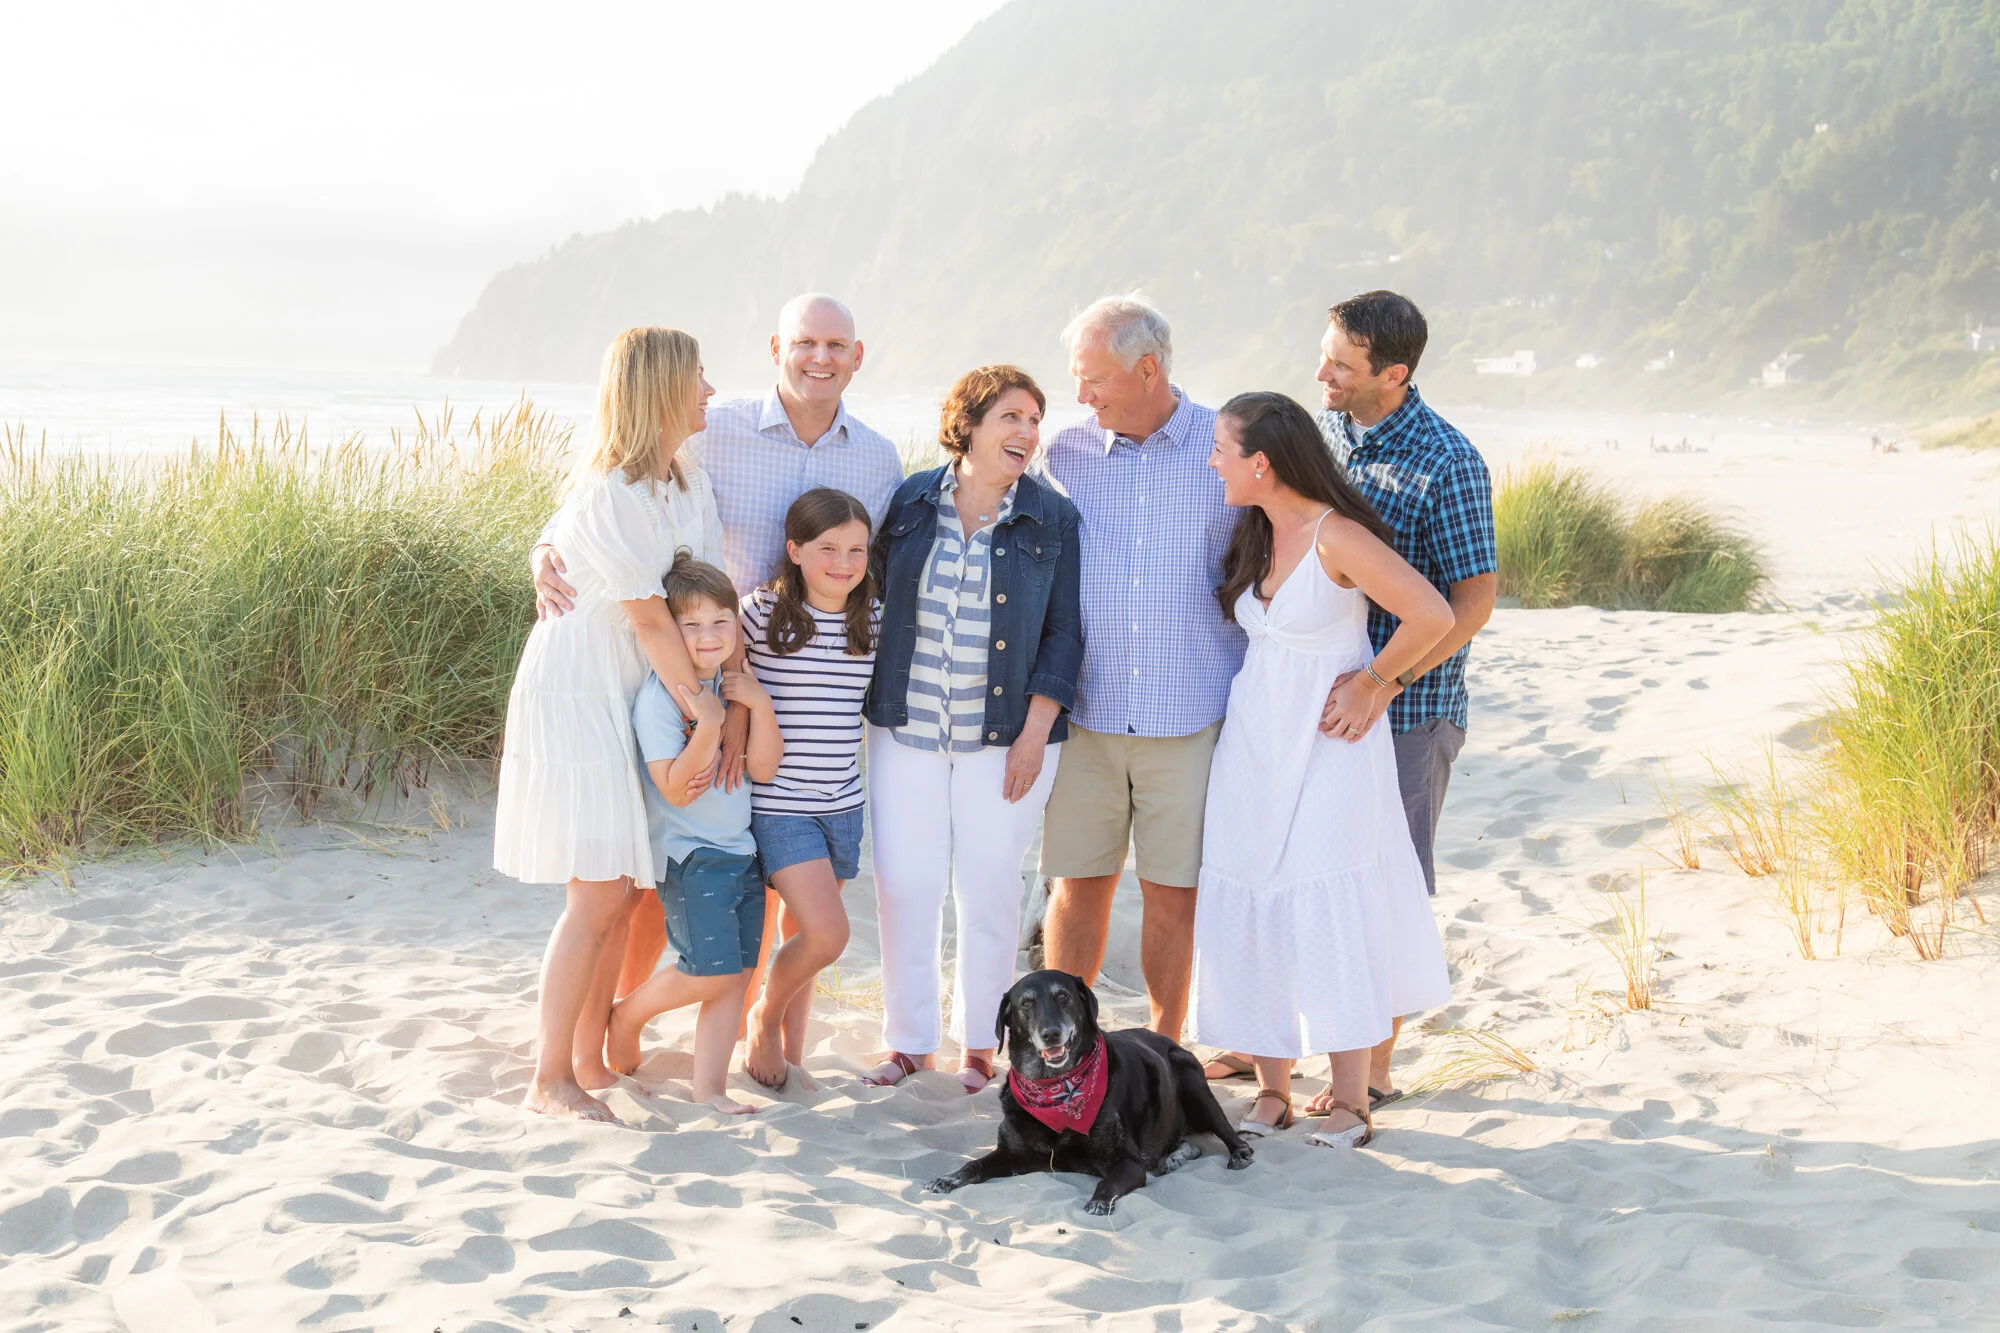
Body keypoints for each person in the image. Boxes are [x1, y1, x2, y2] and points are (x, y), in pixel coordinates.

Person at [532, 294, 903, 997]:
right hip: (695, 667)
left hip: (796, 689)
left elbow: (868, 566)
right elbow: (615, 479)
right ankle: (618, 1017)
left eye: (835, 345)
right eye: (805, 342)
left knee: (754, 867)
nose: (819, 357)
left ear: (857, 356)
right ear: (776, 349)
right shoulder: (714, 429)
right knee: (661, 863)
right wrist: (546, 543)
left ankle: (741, 1026)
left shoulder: (879, 459)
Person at [1190, 391, 1455, 1149]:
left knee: (1329, 899)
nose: (1213, 461)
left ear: (1262, 462)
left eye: (1221, 449)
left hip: (1332, 746)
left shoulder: (1336, 536)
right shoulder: (1255, 531)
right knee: (1258, 895)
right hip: (1254, 745)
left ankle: (1348, 1100)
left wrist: (1378, 683)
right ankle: (1273, 1088)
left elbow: (1432, 614)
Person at [493, 326, 724, 1124]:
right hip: (581, 690)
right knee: (596, 894)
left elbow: (699, 594)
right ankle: (549, 1076)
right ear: (660, 390)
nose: (710, 389)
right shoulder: (610, 491)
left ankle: (588, 1058)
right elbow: (655, 622)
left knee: (622, 892)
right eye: (698, 377)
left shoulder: (684, 480)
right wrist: (708, 712)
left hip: (632, 690)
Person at [861, 365, 1083, 1093]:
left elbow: (1064, 634)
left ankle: (981, 1046)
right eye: (1011, 417)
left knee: (988, 889)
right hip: (907, 726)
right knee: (906, 884)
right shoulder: (910, 502)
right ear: (970, 424)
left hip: (1006, 739)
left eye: (1033, 420)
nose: (1026, 432)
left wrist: (1035, 729)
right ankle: (908, 1041)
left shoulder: (1052, 517)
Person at [1311, 290, 1497, 1113]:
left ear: (1395, 373)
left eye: (1342, 366)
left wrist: (1383, 682)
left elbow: (1473, 603)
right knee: (1318, 872)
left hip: (1411, 713)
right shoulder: (1329, 435)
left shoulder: (1448, 460)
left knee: (1389, 882)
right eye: (1324, 355)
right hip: (1327, 707)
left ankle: (1376, 1068)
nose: (1323, 373)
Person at [1039, 296, 1243, 1043]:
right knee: (1076, 886)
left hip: (1188, 715)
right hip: (1087, 714)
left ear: (1147, 368)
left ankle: (1165, 1045)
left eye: (1093, 378)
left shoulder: (1226, 444)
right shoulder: (1063, 451)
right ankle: (1063, 1045)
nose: (1082, 394)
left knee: (1173, 895)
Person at [605, 554, 784, 1116]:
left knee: (735, 980)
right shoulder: (661, 701)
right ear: (671, 635)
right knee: (709, 971)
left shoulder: (733, 688)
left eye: (721, 622)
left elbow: (764, 769)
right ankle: (626, 1014)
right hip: (692, 855)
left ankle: (710, 1089)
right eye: (692, 625)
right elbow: (676, 790)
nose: (709, 636)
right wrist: (706, 724)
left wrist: (757, 706)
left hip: (744, 853)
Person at [736, 488, 880, 1090]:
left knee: (805, 938)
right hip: (780, 806)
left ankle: (791, 1055)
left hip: (843, 804)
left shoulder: (872, 616)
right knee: (829, 933)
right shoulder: (759, 613)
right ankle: (763, 1019)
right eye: (827, 548)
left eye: (856, 549)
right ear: (794, 550)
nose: (843, 562)